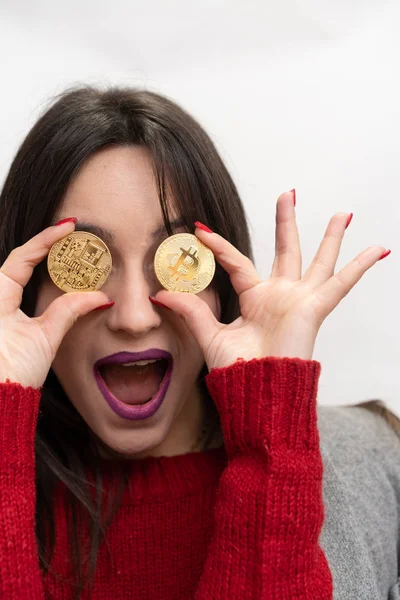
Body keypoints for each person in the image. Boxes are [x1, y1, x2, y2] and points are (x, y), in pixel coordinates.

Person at [0, 86, 398, 600]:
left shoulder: (372, 462)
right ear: (28, 291)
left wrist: (271, 434)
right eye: (84, 264)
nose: (136, 316)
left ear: (220, 281)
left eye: (177, 260)